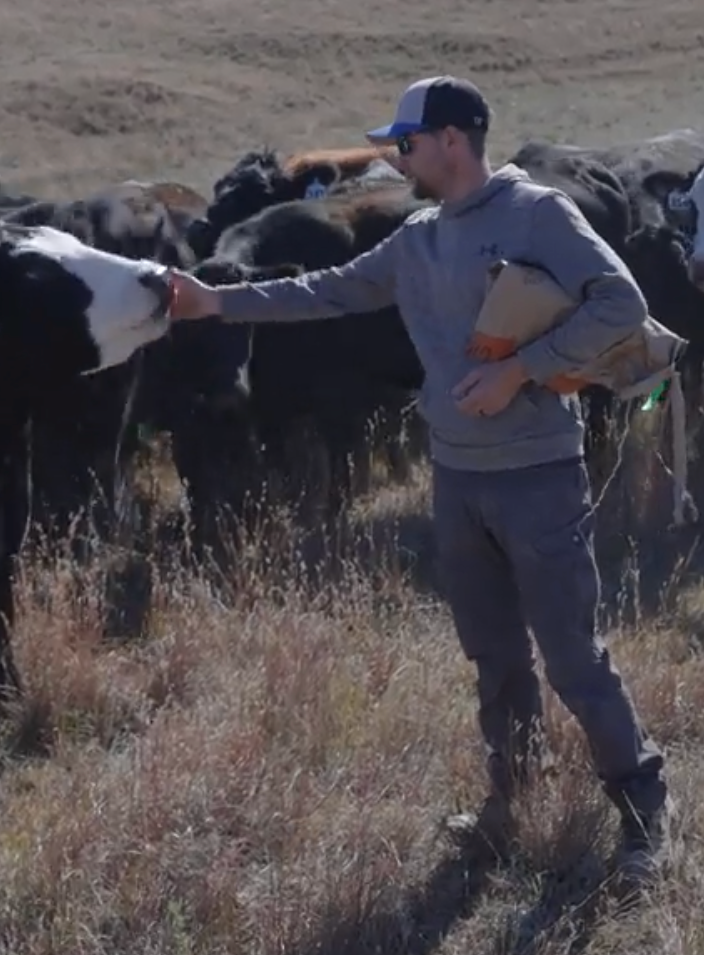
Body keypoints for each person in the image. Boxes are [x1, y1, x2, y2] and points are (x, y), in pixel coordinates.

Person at [167, 75, 673, 893]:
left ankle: (646, 812)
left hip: (538, 473)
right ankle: (514, 802)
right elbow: (323, 293)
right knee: (495, 655)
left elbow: (621, 302)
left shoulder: (538, 213)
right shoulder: (419, 236)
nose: (395, 158)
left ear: (450, 141)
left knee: (573, 656)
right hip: (457, 478)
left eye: (404, 144)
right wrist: (214, 304)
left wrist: (523, 373)